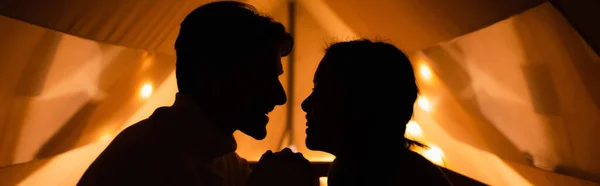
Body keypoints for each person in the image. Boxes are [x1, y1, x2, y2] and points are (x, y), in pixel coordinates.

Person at [78, 1, 311, 186]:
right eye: (263, 76)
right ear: (214, 77)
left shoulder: (218, 156)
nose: (280, 97)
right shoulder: (150, 162)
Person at [301, 39, 454, 186]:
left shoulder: (416, 180)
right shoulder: (346, 170)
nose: (305, 104)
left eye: (322, 92)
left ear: (362, 105)